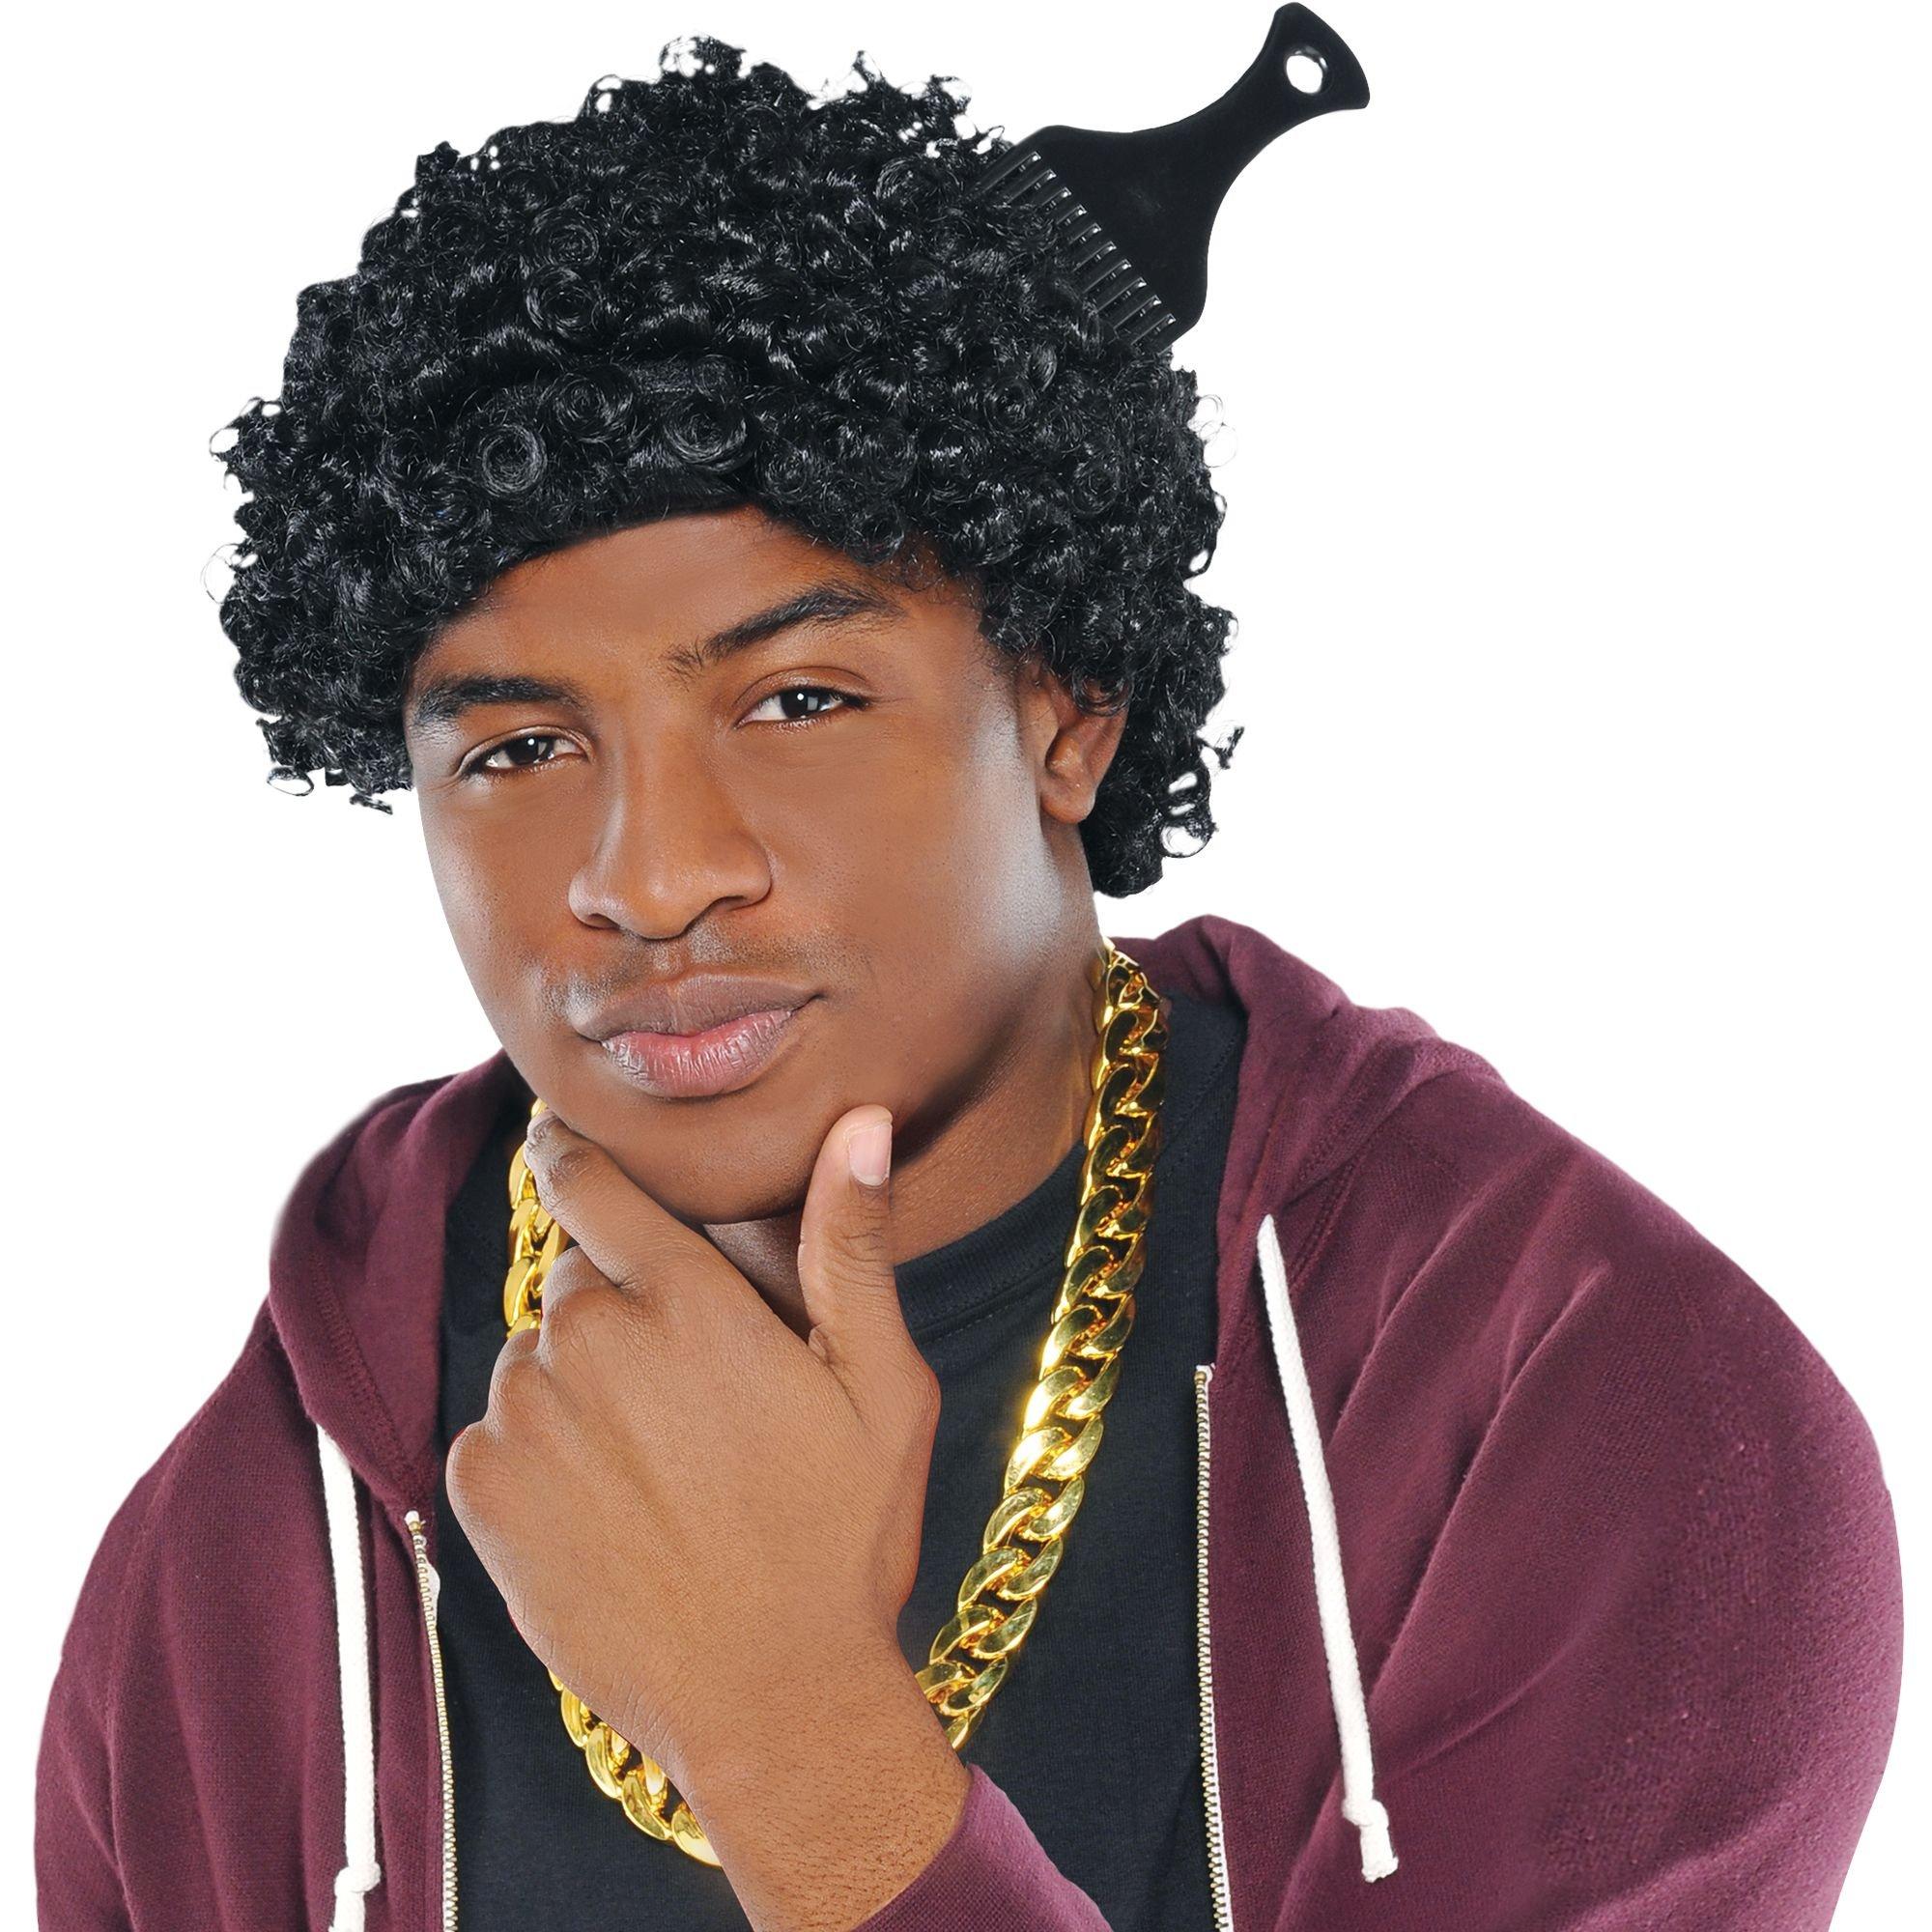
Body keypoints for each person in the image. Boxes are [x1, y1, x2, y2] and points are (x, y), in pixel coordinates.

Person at [35, 34, 1902, 1932]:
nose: (649, 877)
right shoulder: (248, 1555)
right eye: (519, 749)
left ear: (1070, 709)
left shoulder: (1593, 1410)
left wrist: (801, 1749)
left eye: (797, 701)